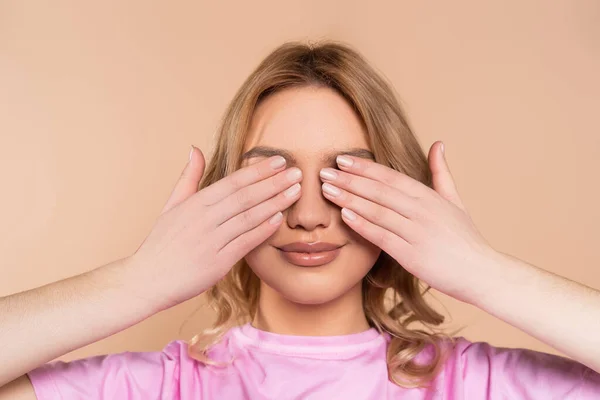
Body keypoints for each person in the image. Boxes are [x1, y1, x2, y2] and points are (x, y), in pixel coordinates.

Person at [1, 40, 599, 400]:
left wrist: (482, 272)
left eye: (346, 176)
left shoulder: (472, 386)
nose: (309, 216)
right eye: (273, 179)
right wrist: (138, 283)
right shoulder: (159, 388)